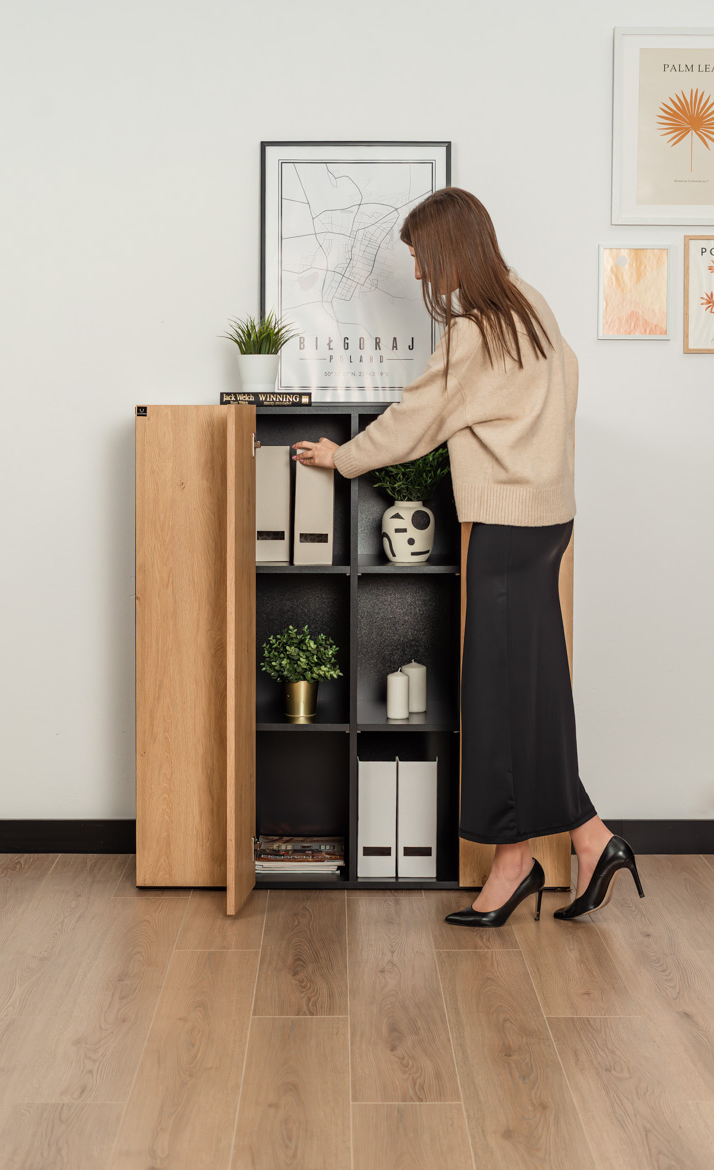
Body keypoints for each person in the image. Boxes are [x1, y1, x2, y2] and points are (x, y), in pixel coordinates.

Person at [292, 187, 645, 927]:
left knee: (494, 699)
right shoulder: (529, 302)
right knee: (535, 693)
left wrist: (342, 456)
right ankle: (585, 840)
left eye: (420, 251)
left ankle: (523, 862)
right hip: (549, 519)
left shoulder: (474, 328)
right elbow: (563, 385)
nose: (416, 266)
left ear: (449, 245)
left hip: (507, 526)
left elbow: (421, 414)